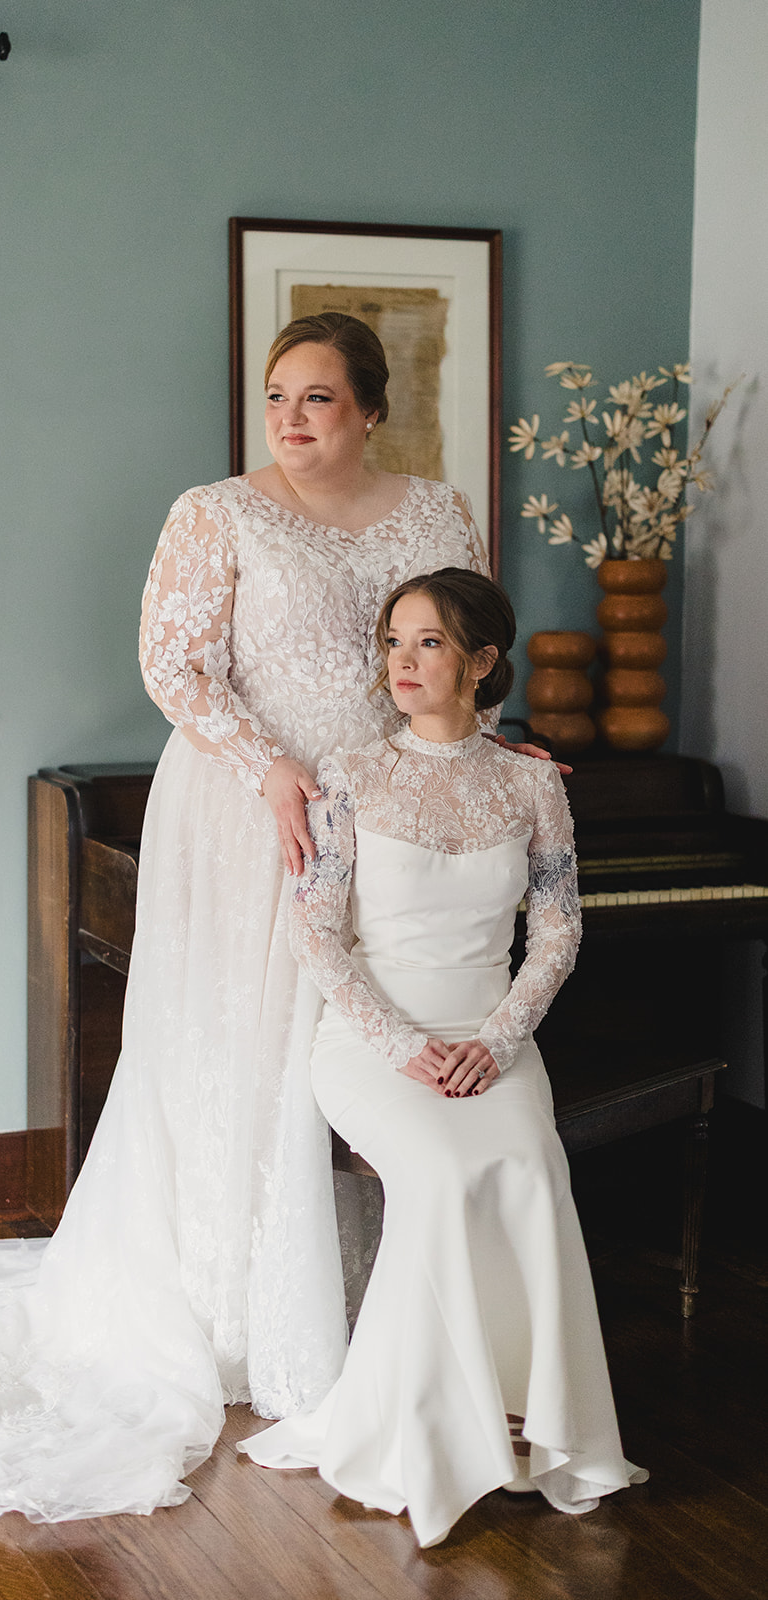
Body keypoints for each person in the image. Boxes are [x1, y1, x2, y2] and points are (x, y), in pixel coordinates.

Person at [0, 315, 551, 1523]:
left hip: (387, 813)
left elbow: (454, 650)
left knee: (359, 1040)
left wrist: (495, 761)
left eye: (318, 398)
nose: (293, 419)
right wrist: (271, 770)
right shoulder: (216, 512)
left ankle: (389, 1293)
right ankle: (235, 1304)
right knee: (242, 1047)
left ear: (370, 410)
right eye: (276, 398)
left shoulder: (435, 512)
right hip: (250, 806)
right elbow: (176, 667)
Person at [241, 568, 647, 1547]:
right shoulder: (347, 774)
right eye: (392, 642)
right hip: (372, 1040)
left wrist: (496, 1037)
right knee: (437, 1174)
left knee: (525, 1163)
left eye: (425, 643)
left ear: (480, 661)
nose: (402, 662)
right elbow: (316, 937)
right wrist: (405, 1046)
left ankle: (523, 1413)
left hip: (490, 1035)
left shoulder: (529, 781)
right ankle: (424, 1428)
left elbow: (555, 927)